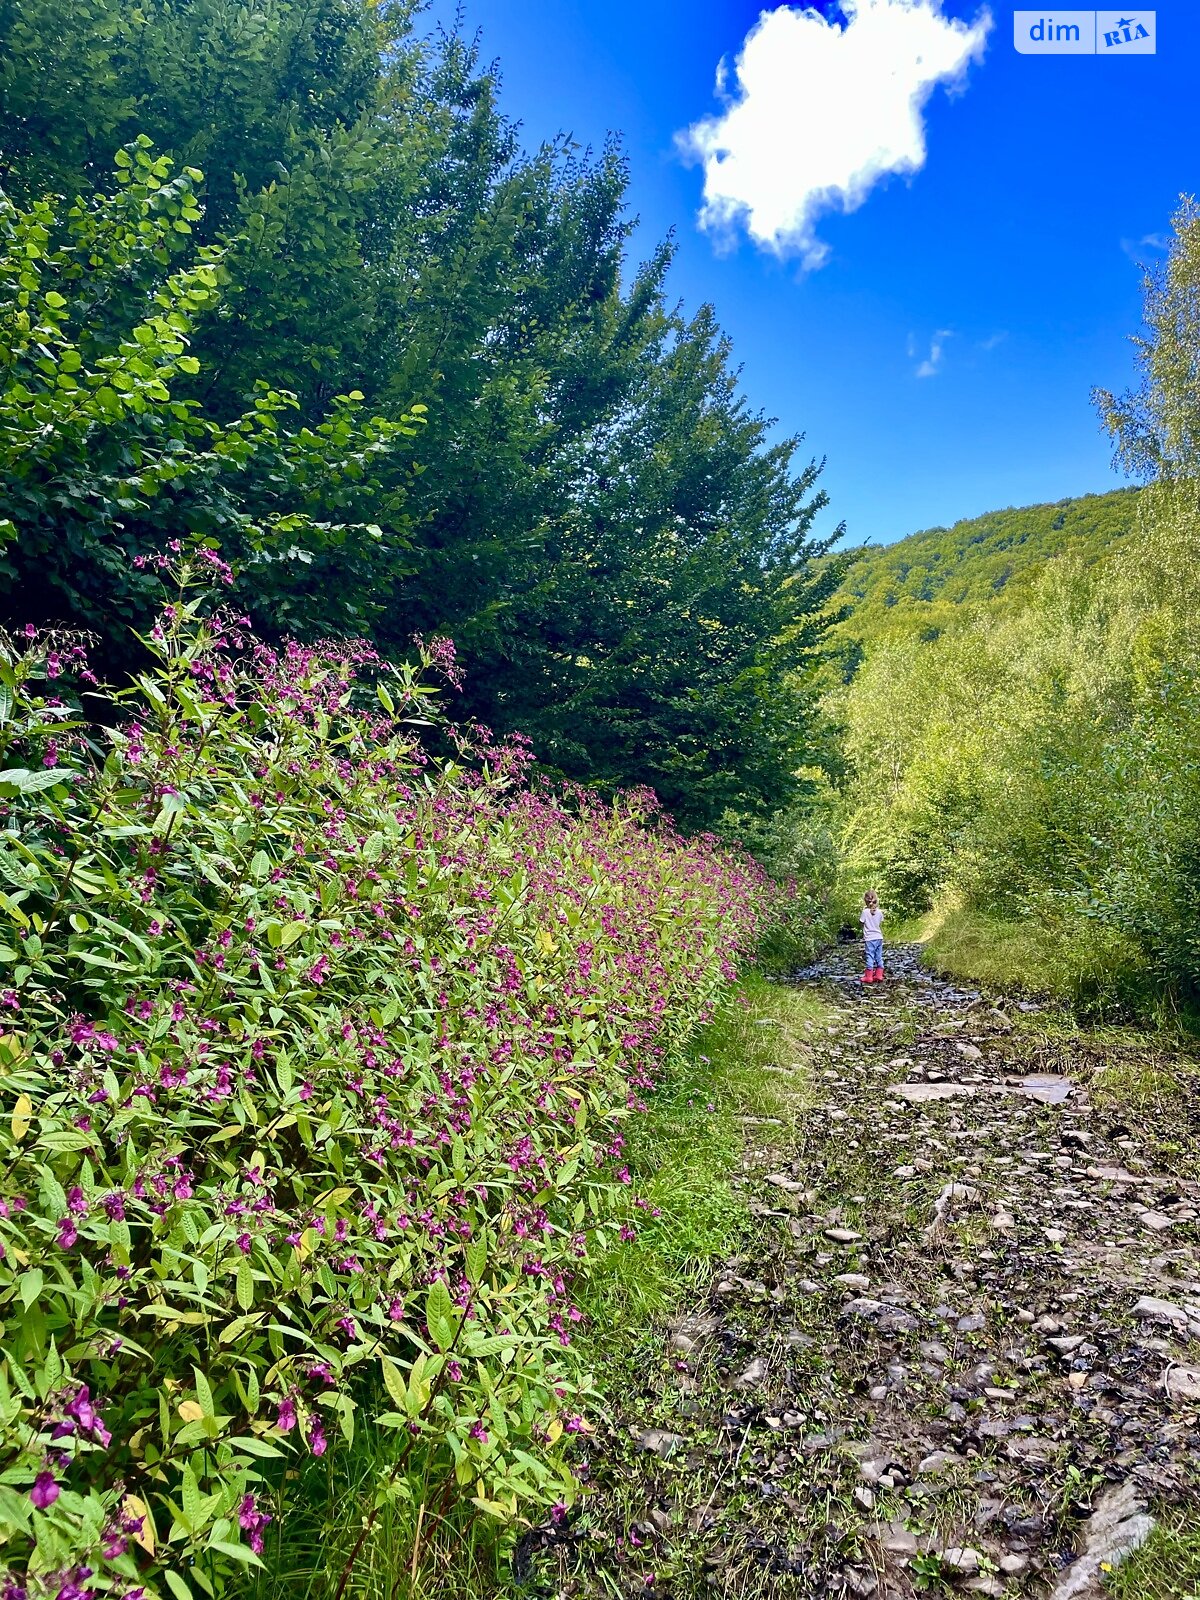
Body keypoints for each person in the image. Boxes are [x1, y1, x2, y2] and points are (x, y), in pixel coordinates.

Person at [859, 889, 884, 984]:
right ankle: (879, 975)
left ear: (865, 901)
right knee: (879, 956)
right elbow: (880, 923)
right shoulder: (880, 912)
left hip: (869, 938)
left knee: (870, 956)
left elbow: (861, 922)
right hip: (879, 937)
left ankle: (869, 976)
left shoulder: (865, 912)